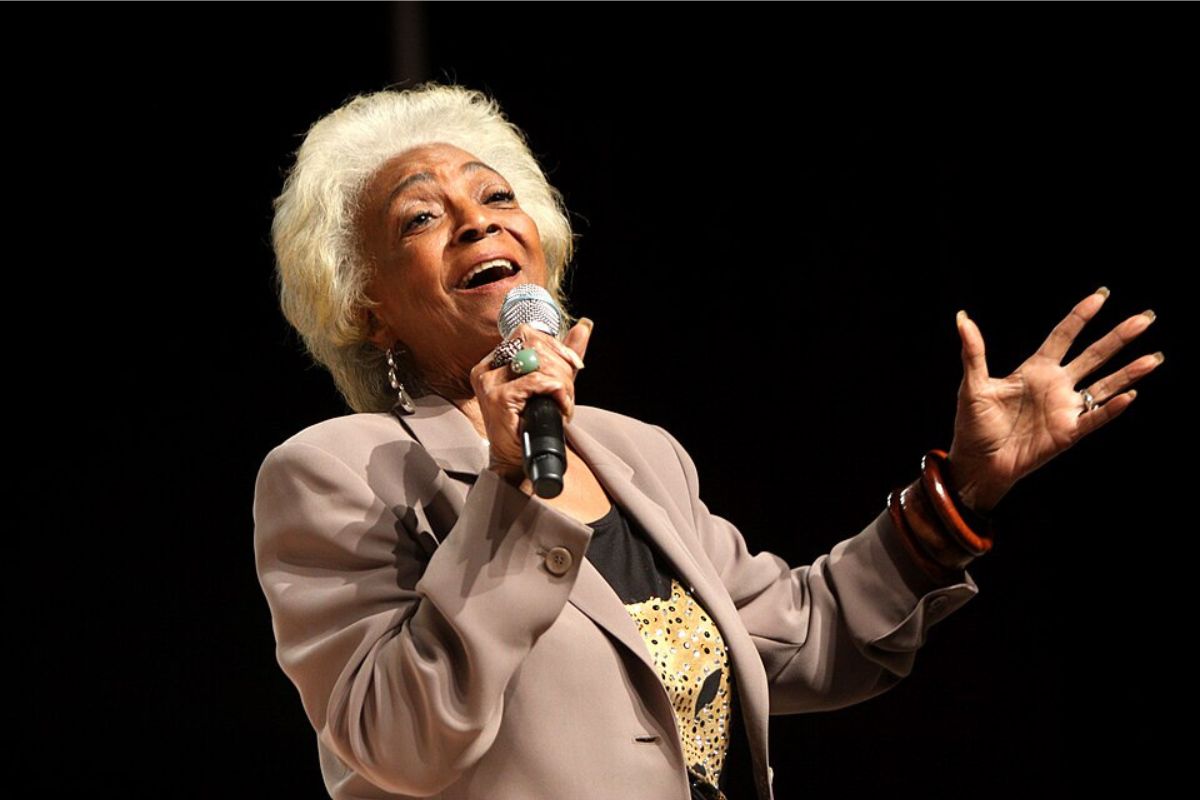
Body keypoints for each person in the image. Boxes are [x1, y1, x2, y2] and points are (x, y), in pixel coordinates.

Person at [253, 82, 1163, 800]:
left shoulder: (639, 453)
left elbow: (808, 637)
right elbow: (398, 742)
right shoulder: (338, 472)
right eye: (421, 216)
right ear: (366, 307)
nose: (479, 219)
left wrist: (961, 489)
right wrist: (513, 488)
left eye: (497, 196)